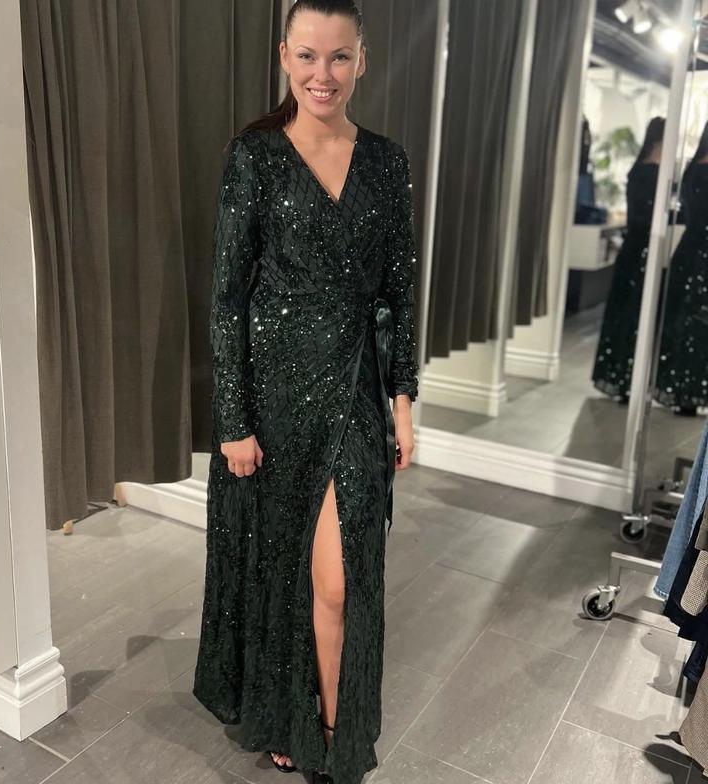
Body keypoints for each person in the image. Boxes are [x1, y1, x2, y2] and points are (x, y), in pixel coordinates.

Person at [192, 2, 419, 784]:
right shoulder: (254, 155)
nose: (324, 74)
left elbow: (400, 292)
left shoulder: (387, 162)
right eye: (309, 56)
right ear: (285, 56)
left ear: (363, 60)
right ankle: (296, 715)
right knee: (282, 565)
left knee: (338, 578)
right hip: (274, 397)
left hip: (354, 390)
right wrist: (234, 419)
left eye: (340, 57)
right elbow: (228, 296)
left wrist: (403, 402)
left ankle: (329, 734)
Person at [592, 117, 664, 401]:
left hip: (634, 250)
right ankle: (626, 379)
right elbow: (646, 217)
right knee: (634, 313)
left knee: (627, 313)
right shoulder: (652, 174)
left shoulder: (639, 172)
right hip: (642, 252)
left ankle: (622, 378)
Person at [654, 121, 708, 415]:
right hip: (700, 255)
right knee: (695, 324)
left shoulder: (691, 170)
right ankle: (689, 391)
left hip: (689, 251)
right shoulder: (700, 171)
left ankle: (683, 389)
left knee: (685, 321)